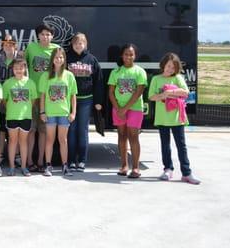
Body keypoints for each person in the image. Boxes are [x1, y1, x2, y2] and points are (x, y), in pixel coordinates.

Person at [148, 53, 200, 184]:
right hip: (162, 118)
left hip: (177, 118)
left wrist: (170, 92)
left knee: (181, 146)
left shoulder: (178, 78)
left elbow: (186, 92)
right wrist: (162, 96)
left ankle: (186, 173)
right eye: (169, 66)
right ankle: (168, 169)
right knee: (165, 145)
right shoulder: (156, 79)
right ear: (163, 65)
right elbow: (151, 97)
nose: (170, 69)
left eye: (173, 67)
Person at [108, 43, 147, 178]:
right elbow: (111, 92)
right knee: (122, 136)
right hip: (118, 109)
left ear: (135, 56)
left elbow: (138, 92)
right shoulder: (116, 72)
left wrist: (125, 109)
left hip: (134, 108)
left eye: (131, 54)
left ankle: (135, 168)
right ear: (122, 55)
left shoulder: (140, 72)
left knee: (133, 136)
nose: (128, 57)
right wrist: (118, 108)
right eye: (126, 54)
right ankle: (124, 166)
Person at [66, 32, 104, 172]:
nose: (78, 45)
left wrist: (98, 101)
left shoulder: (91, 59)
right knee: (71, 130)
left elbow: (98, 82)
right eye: (76, 43)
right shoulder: (66, 58)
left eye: (81, 43)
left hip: (86, 100)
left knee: (83, 130)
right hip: (69, 100)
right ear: (72, 44)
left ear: (85, 44)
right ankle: (70, 160)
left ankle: (82, 160)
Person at [25, 24, 60, 172]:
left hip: (48, 98)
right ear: (38, 35)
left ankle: (41, 161)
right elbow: (22, 66)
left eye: (48, 34)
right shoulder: (31, 48)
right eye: (43, 34)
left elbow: (61, 70)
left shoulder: (56, 49)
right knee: (31, 130)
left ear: (52, 36)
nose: (45, 36)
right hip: (33, 97)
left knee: (44, 131)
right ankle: (29, 161)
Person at [39, 48, 77, 177]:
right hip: (50, 113)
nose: (58, 59)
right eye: (56, 57)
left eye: (61, 57)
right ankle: (48, 165)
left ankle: (65, 166)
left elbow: (73, 96)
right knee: (49, 139)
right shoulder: (46, 75)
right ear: (52, 60)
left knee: (63, 140)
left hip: (64, 113)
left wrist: (73, 113)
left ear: (64, 59)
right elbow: (43, 96)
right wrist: (42, 112)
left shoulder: (69, 75)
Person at [2, 58, 37, 176]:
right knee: (12, 141)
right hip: (12, 116)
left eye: (21, 68)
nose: (18, 70)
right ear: (12, 69)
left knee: (23, 142)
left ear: (25, 69)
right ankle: (11, 167)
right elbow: (4, 100)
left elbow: (33, 101)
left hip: (26, 117)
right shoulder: (7, 83)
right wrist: (13, 109)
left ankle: (23, 167)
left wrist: (25, 109)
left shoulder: (30, 83)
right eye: (16, 68)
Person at [0, 34, 23, 164]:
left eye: (11, 44)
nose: (8, 46)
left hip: (16, 100)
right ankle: (0, 155)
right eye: (5, 44)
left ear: (15, 45)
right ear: (2, 46)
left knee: (14, 129)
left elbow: (25, 79)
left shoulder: (20, 59)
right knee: (1, 129)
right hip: (0, 99)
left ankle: (16, 155)